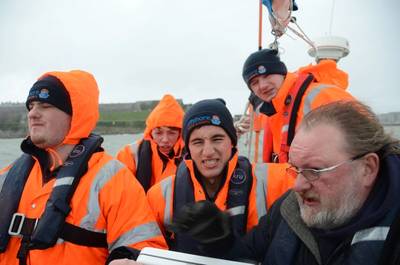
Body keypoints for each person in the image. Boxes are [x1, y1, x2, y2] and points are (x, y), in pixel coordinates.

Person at [169, 100, 400, 265]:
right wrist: (218, 237)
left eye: (315, 170)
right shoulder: (288, 209)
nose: (297, 185)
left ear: (367, 168)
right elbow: (246, 254)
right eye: (296, 168)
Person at [0, 70, 167, 265]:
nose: (33, 114)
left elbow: (146, 246)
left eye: (45, 106)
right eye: (31, 106)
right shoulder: (6, 177)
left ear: (75, 116)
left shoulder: (113, 180)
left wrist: (131, 260)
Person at [146, 98, 268, 256]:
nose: (208, 151)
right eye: (197, 142)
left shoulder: (271, 182)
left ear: (232, 141)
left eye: (217, 139)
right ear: (187, 147)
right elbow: (147, 249)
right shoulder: (160, 195)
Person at [238, 48, 355, 163]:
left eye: (267, 76)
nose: (262, 85)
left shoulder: (322, 96)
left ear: (282, 74)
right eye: (254, 83)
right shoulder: (268, 113)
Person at [117, 94, 185, 191]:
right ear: (150, 132)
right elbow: (120, 192)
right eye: (159, 133)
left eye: (171, 133)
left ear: (180, 134)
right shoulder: (129, 154)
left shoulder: (193, 156)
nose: (165, 139)